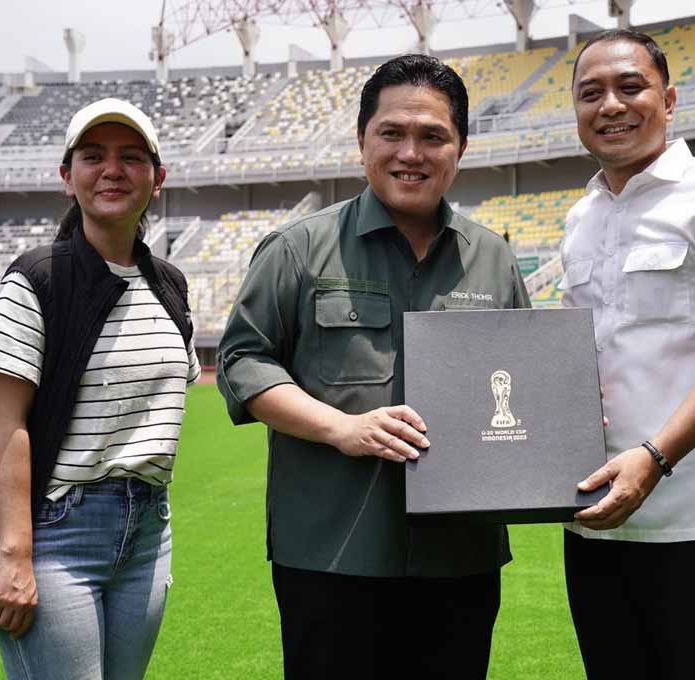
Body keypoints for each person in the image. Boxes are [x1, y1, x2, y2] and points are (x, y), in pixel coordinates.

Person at [216, 54, 529, 680]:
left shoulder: (494, 259)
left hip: (459, 560)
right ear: (363, 141)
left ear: (460, 148)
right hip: (330, 553)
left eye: (432, 136)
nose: (411, 152)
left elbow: (523, 378)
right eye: (393, 133)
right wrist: (341, 428)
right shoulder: (298, 250)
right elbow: (244, 362)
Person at [0, 98, 200, 679]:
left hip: (148, 534)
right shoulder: (35, 279)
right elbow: (4, 423)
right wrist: (15, 554)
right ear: (67, 177)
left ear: (158, 180)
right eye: (93, 156)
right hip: (59, 533)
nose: (113, 169)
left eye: (132, 157)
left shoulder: (172, 288)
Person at [560, 30, 695, 679]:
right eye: (590, 93)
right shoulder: (580, 218)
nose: (611, 105)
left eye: (630, 87)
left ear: (669, 98)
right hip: (592, 522)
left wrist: (655, 459)